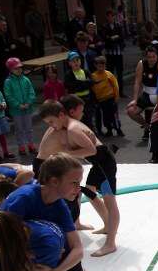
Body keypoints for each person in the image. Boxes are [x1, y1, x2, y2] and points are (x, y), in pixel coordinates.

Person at [41, 97, 121, 258]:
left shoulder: (73, 129)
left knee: (110, 201)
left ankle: (111, 243)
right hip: (97, 164)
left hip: (104, 164)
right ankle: (107, 225)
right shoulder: (67, 126)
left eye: (51, 122)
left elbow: (91, 150)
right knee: (89, 191)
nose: (51, 126)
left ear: (61, 115)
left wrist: (67, 153)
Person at [127, 46, 158, 140]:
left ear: (157, 56)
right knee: (131, 111)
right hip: (146, 94)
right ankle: (147, 126)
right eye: (149, 57)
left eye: (153, 57)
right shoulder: (141, 64)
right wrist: (135, 99)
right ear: (146, 57)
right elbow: (137, 82)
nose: (151, 59)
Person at [3, 57, 37, 156]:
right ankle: (21, 147)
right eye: (16, 68)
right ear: (10, 69)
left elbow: (31, 92)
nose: (19, 70)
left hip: (27, 109)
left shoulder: (26, 79)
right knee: (19, 129)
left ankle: (31, 145)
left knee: (29, 128)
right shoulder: (8, 82)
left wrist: (28, 103)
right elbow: (8, 96)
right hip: (16, 111)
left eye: (20, 67)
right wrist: (18, 105)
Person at [90, 56, 124, 137]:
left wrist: (116, 97)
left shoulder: (109, 74)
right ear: (95, 65)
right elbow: (92, 88)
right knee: (105, 117)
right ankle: (109, 130)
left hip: (111, 99)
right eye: (99, 66)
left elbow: (115, 86)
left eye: (103, 65)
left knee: (114, 115)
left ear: (105, 65)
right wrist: (95, 100)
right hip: (101, 100)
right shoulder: (93, 76)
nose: (101, 67)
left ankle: (118, 129)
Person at [64, 50, 96, 132]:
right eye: (73, 61)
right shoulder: (69, 75)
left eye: (77, 60)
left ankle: (90, 134)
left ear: (80, 61)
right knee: (78, 121)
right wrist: (84, 83)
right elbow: (71, 86)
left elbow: (92, 82)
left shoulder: (86, 72)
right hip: (76, 101)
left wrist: (80, 84)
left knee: (89, 119)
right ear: (69, 63)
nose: (76, 63)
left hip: (87, 100)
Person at [100, 9, 126, 92]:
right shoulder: (104, 26)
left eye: (112, 16)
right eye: (109, 16)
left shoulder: (118, 25)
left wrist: (113, 38)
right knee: (110, 72)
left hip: (118, 52)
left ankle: (120, 91)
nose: (110, 18)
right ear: (107, 17)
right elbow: (104, 37)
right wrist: (112, 38)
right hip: (109, 53)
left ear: (114, 17)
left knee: (120, 72)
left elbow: (122, 36)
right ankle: (111, 91)